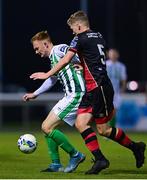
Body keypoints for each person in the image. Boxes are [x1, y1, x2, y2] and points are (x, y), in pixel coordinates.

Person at [30, 11, 146, 174]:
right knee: (81, 124)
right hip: (92, 90)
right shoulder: (98, 36)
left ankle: (135, 147)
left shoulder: (79, 38)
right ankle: (100, 159)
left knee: (104, 130)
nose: (72, 32)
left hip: (99, 87)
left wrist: (47, 74)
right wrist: (82, 66)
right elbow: (93, 57)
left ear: (79, 25)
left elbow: (66, 59)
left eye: (72, 28)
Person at [23, 31, 86, 173]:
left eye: (37, 48)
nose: (36, 52)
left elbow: (77, 54)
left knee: (47, 127)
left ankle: (75, 155)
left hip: (76, 94)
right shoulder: (53, 58)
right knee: (47, 127)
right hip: (69, 95)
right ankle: (56, 164)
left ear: (45, 44)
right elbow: (52, 79)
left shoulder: (59, 49)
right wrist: (35, 94)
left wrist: (83, 65)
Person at [106, 48, 127, 127]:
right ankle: (108, 129)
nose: (113, 55)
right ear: (108, 55)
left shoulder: (121, 66)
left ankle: (111, 129)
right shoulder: (105, 64)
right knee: (108, 111)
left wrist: (123, 89)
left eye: (114, 54)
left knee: (114, 111)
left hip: (116, 92)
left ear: (117, 55)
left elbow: (123, 79)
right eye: (111, 54)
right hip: (107, 91)